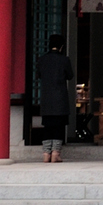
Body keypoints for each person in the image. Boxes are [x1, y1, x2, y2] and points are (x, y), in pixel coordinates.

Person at [35, 33, 73, 163]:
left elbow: (39, 75)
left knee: (47, 125)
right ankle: (56, 153)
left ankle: (46, 153)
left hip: (46, 97)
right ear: (62, 46)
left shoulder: (42, 60)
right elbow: (70, 76)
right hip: (60, 97)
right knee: (59, 126)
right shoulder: (64, 60)